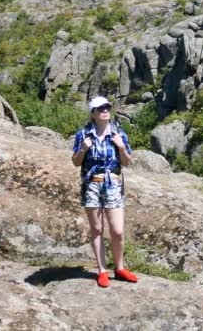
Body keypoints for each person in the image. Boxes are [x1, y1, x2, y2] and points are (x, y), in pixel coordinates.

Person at [72, 96, 138, 288]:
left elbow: (126, 162)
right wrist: (83, 149)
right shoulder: (83, 135)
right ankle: (102, 270)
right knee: (97, 229)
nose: (105, 111)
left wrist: (122, 147)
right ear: (93, 113)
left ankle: (119, 268)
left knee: (117, 231)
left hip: (113, 184)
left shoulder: (118, 133)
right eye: (100, 108)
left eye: (107, 107)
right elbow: (76, 162)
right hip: (92, 184)